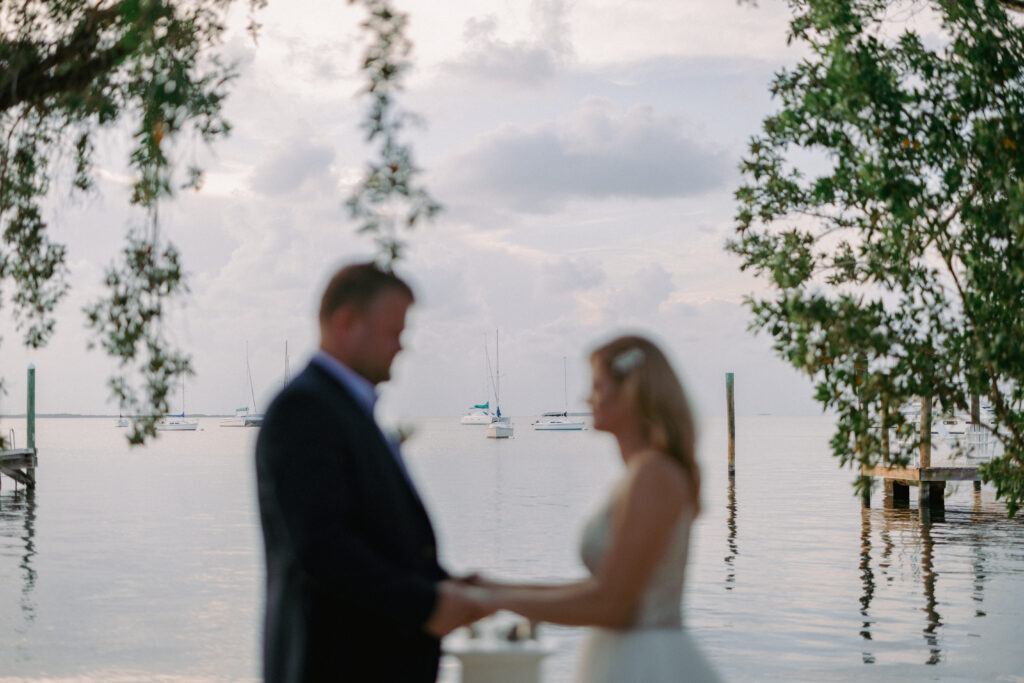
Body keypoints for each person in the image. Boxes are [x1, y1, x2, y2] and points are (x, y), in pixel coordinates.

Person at [255, 262, 482, 682]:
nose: (402, 347)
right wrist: (427, 605)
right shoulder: (303, 410)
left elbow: (375, 535)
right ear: (346, 323)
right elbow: (322, 548)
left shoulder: (346, 408)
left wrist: (441, 584)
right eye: (393, 332)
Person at [467, 334, 722, 682]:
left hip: (646, 664)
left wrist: (492, 601)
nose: (587, 398)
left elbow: (611, 605)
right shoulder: (641, 473)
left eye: (598, 386)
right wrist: (493, 588)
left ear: (632, 392)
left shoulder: (653, 475)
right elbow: (600, 588)